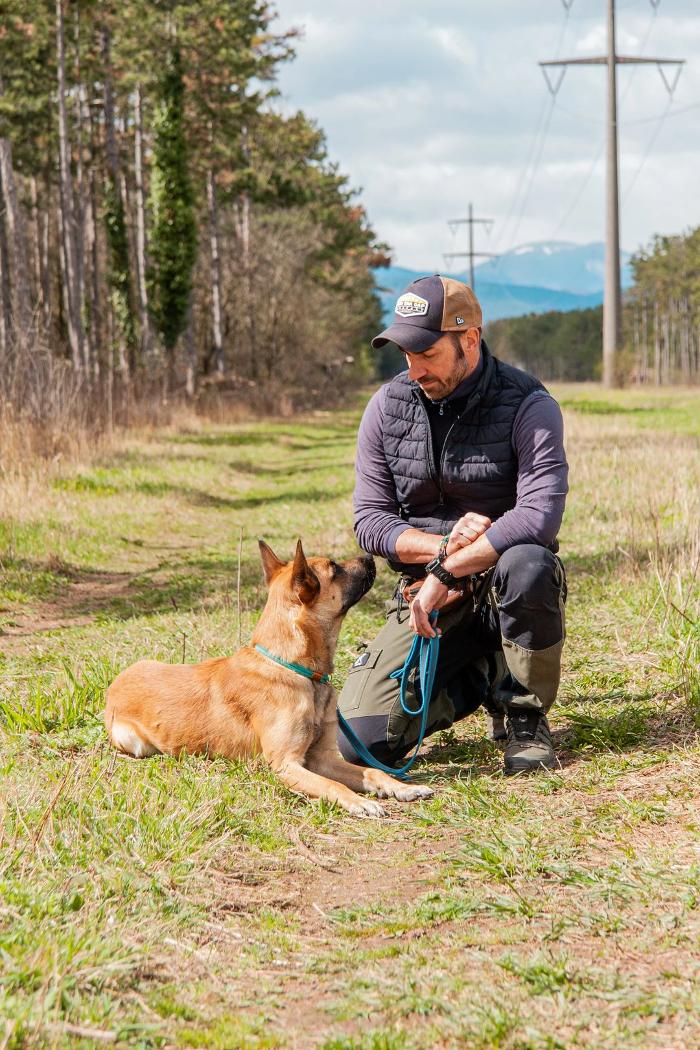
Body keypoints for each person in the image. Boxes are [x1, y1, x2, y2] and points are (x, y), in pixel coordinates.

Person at [337, 274, 568, 775]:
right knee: (360, 743)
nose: (415, 368)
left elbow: (539, 517)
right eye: (406, 353)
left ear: (470, 339)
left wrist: (449, 570)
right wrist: (442, 546)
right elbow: (370, 520)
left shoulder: (530, 405)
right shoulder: (385, 407)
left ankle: (524, 714)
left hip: (500, 583)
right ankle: (483, 677)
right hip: (426, 599)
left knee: (529, 563)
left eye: (427, 353)